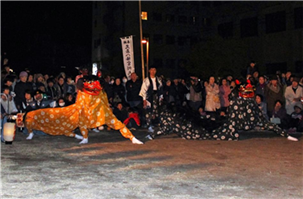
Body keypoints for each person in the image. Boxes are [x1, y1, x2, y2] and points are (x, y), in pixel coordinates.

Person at [25, 75, 143, 144]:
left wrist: (107, 110)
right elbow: (79, 103)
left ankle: (132, 137)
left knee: (117, 123)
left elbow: (104, 101)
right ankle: (84, 138)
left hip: (101, 112)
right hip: (85, 112)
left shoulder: (100, 91)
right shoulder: (82, 91)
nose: (91, 85)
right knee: (70, 122)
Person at [139, 65, 163, 134]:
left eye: (154, 70)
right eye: (151, 70)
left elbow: (161, 89)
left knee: (156, 111)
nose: (153, 71)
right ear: (149, 71)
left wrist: (161, 97)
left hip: (156, 97)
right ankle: (149, 125)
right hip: (149, 97)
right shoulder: (146, 80)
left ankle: (157, 125)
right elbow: (143, 90)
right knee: (148, 111)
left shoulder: (158, 79)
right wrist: (144, 100)